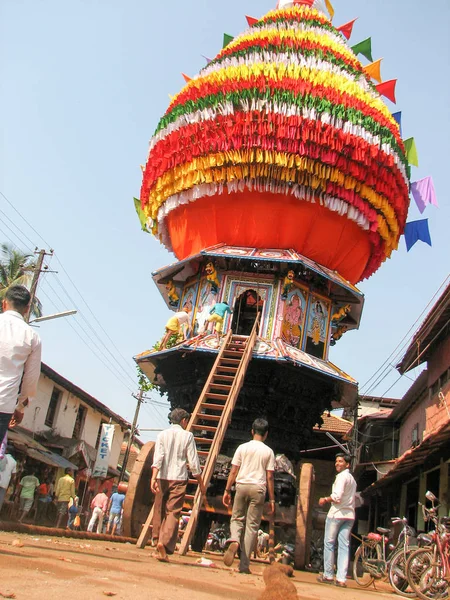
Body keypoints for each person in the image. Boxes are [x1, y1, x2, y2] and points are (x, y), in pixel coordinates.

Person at [151, 408, 206, 562]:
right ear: (183, 421)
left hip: (162, 477)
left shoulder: (162, 435)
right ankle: (164, 542)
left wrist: (153, 477)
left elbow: (158, 458)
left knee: (159, 508)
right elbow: (193, 463)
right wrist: (201, 483)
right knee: (173, 512)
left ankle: (156, 541)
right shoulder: (187, 436)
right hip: (179, 478)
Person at [222, 418, 275, 574]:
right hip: (258, 489)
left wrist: (227, 490)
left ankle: (234, 540)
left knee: (237, 518)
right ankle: (244, 565)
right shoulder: (268, 452)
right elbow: (270, 476)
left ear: (252, 431)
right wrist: (272, 499)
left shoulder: (242, 448)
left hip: (242, 486)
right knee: (252, 527)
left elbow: (233, 470)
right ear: (266, 434)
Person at [0, 285, 42, 442]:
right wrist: (21, 407)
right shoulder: (32, 337)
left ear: (4, 303)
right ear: (27, 309)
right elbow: (31, 378)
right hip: (3, 404)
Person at [317, 453, 357, 588]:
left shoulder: (341, 477)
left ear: (347, 464)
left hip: (336, 515)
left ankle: (328, 575)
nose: (337, 463)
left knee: (329, 544)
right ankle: (341, 579)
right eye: (336, 461)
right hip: (349, 516)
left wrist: (325, 499)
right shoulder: (352, 479)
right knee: (344, 546)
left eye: (340, 461)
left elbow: (337, 497)